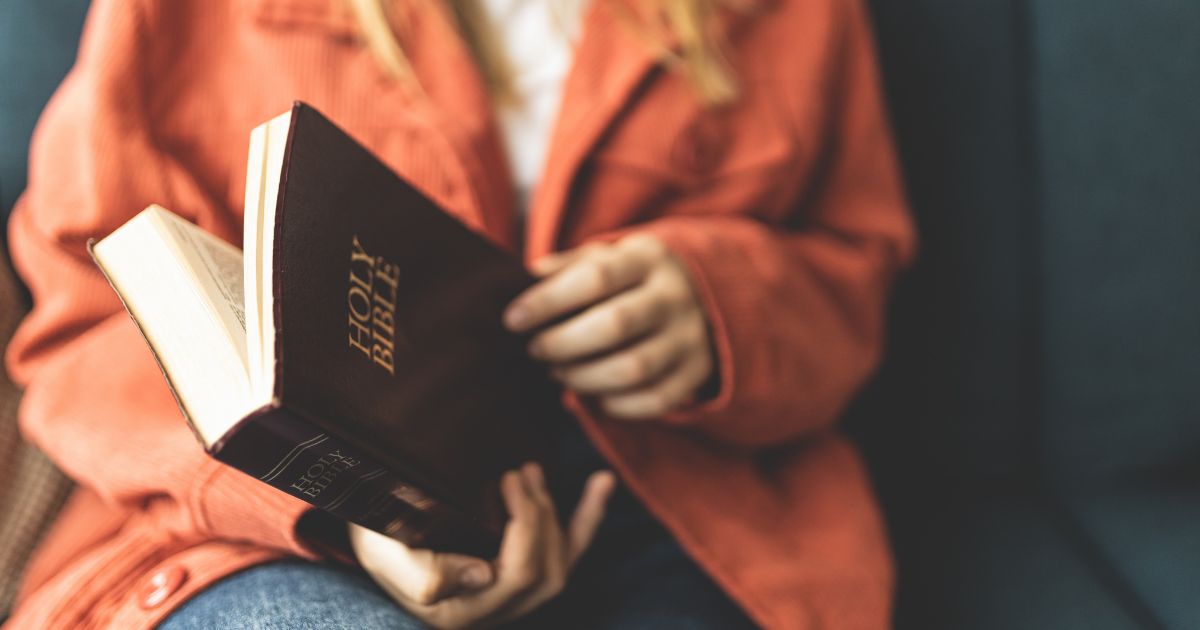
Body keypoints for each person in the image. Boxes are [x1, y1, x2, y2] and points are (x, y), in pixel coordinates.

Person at [3, 0, 914, 627]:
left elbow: (853, 274)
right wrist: (336, 515)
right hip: (266, 527)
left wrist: (720, 306)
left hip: (672, 507)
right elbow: (88, 317)